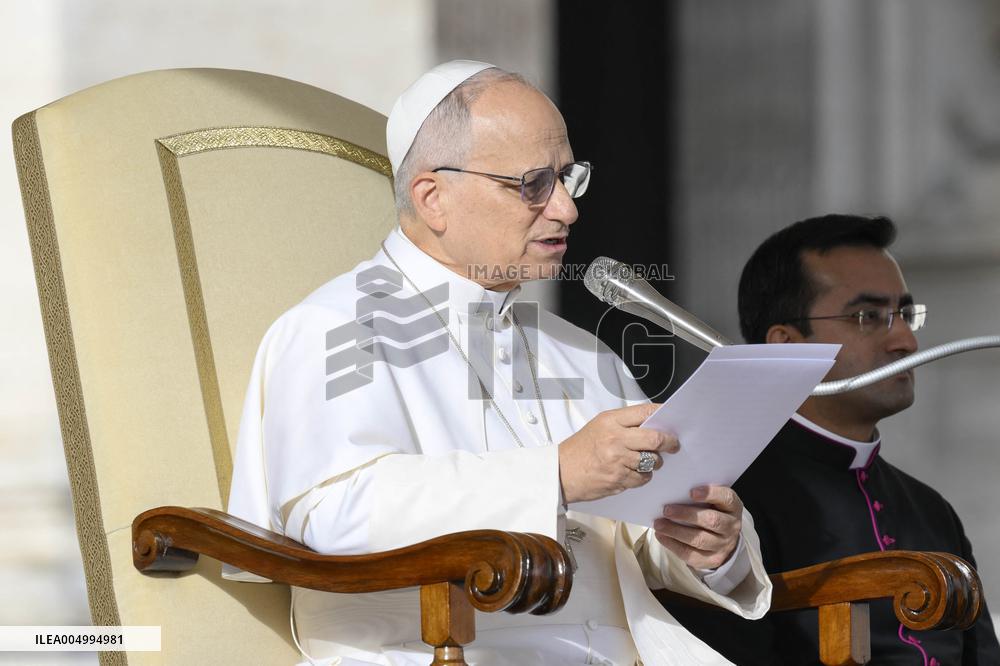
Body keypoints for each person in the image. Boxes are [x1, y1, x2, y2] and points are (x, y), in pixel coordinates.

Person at [226, 60, 772, 665]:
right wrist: (556, 474)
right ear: (434, 197)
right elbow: (331, 517)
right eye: (533, 183)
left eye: (569, 178)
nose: (567, 210)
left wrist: (706, 547)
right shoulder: (334, 327)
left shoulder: (580, 351)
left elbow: (633, 543)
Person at [666, 214, 1000, 664]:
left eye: (904, 314)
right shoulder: (723, 498)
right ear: (785, 344)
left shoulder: (931, 508)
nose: (904, 340)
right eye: (868, 316)